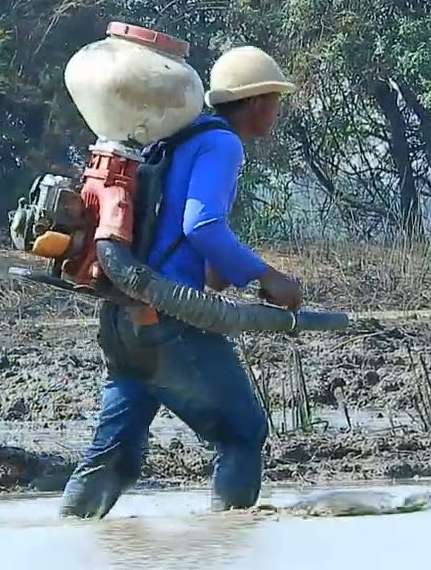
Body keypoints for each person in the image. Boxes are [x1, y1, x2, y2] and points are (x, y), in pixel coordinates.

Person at [59, 45, 304, 518]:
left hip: (124, 321)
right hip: (170, 324)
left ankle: (70, 531)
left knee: (112, 457)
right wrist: (268, 276)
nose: (275, 111)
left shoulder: (172, 140)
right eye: (274, 100)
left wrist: (220, 271)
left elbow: (175, 233)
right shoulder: (221, 143)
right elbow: (202, 226)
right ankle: (228, 544)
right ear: (256, 102)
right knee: (242, 433)